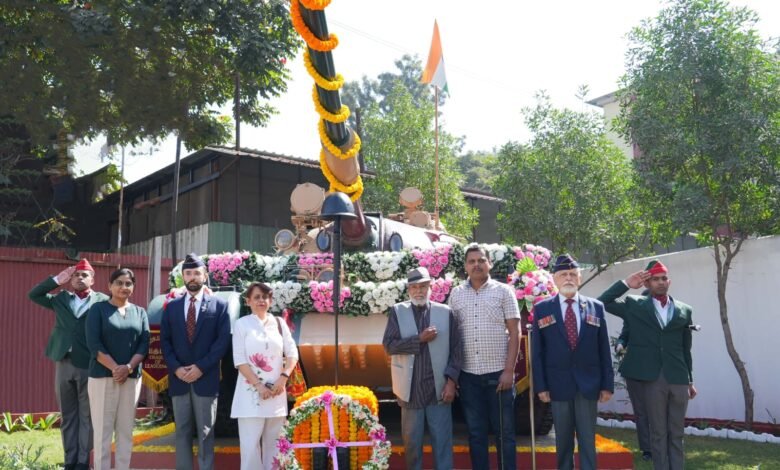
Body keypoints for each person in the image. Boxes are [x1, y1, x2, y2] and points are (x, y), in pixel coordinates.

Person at [598, 260, 696, 470]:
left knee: (677, 432)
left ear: (669, 281)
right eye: (655, 279)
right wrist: (626, 284)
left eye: (664, 278)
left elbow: (685, 348)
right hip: (653, 378)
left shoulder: (684, 310)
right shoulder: (635, 305)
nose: (660, 282)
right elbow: (602, 302)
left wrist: (690, 380)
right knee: (658, 432)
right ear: (647, 283)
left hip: (678, 377)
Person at [530, 254, 614, 470]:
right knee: (563, 441)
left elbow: (603, 349)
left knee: (587, 440)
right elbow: (537, 352)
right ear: (554, 279)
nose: (568, 278)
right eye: (563, 274)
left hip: (588, 384)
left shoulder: (596, 307)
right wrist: (541, 386)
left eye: (572, 274)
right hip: (558, 385)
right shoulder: (542, 309)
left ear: (579, 278)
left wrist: (607, 385)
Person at [27, 259, 108, 470]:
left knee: (87, 415)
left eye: (84, 275)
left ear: (92, 279)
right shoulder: (61, 298)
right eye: (76, 275)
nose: (80, 278)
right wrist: (56, 280)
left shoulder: (102, 301)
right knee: (68, 414)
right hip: (63, 361)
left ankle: (83, 461)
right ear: (70, 280)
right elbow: (34, 295)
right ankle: (70, 460)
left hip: (89, 363)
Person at [448, 243, 521, 470]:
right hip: (468, 376)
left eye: (481, 260)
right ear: (465, 266)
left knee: (504, 433)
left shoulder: (504, 291)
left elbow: (515, 332)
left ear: (490, 263)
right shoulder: (456, 294)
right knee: (476, 434)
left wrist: (508, 371)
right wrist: (453, 376)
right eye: (472, 261)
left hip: (499, 376)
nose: (476, 265)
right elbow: (452, 336)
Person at [382, 267, 462, 470]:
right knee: (412, 445)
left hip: (438, 390)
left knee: (442, 443)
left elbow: (457, 349)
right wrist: (419, 339)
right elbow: (389, 346)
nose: (419, 291)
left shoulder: (445, 312)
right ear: (408, 289)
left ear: (430, 287)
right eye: (414, 287)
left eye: (423, 286)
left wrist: (451, 382)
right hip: (411, 391)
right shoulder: (398, 311)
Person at [160, 253, 231, 470]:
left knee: (206, 431)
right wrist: (176, 368)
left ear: (205, 276)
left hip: (206, 378)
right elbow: (165, 341)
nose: (193, 277)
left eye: (197, 273)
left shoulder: (219, 306)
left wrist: (201, 367)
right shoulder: (171, 307)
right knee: (181, 430)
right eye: (188, 273)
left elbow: (221, 343)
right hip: (179, 378)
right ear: (183, 277)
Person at [85, 268, 150, 470]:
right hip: (103, 378)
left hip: (131, 379)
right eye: (119, 283)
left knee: (125, 430)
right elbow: (93, 343)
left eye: (128, 283)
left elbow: (144, 345)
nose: (124, 287)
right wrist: (115, 368)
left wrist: (128, 367)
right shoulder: (98, 310)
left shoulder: (140, 312)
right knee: (102, 432)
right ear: (109, 286)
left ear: (133, 287)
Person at [231, 282, 299, 470]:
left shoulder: (279, 323)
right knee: (250, 447)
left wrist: (283, 378)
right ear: (248, 301)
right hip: (250, 395)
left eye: (265, 297)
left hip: (277, 393)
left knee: (276, 445)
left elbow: (292, 353)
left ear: (270, 300)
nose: (261, 300)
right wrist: (259, 386)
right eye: (257, 297)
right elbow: (239, 360)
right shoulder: (242, 324)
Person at [615, 320, 652, 461]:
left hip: (658, 370)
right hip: (634, 370)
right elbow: (624, 336)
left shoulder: (662, 313)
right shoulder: (633, 314)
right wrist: (620, 344)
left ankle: (662, 445)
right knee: (641, 411)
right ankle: (647, 449)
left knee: (659, 410)